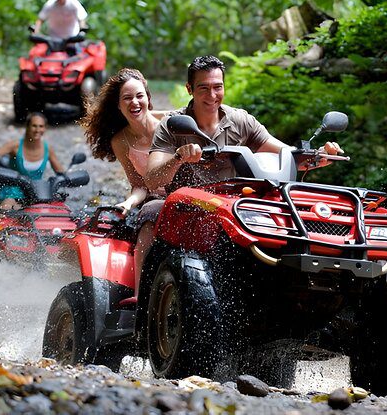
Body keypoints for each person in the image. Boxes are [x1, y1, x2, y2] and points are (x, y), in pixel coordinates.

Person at [144, 55, 342, 193]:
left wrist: (320, 155)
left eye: (217, 87)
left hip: (235, 206)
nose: (212, 96)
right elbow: (152, 180)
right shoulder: (171, 124)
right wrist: (179, 158)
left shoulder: (241, 121)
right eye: (203, 88)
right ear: (189, 89)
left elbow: (287, 157)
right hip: (185, 205)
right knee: (152, 216)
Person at [83, 68, 169, 294]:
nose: (135, 102)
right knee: (145, 236)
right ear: (119, 106)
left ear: (148, 99)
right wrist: (128, 203)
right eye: (127, 98)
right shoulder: (120, 142)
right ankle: (140, 300)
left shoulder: (169, 122)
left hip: (185, 191)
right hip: (152, 200)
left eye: (139, 96)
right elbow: (139, 184)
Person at [0, 112, 65, 210]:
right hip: (13, 191)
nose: (37, 130)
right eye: (34, 126)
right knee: (7, 206)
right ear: (27, 127)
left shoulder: (48, 149)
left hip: (37, 192)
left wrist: (69, 178)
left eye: (41, 126)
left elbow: (61, 173)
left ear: (45, 128)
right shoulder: (15, 146)